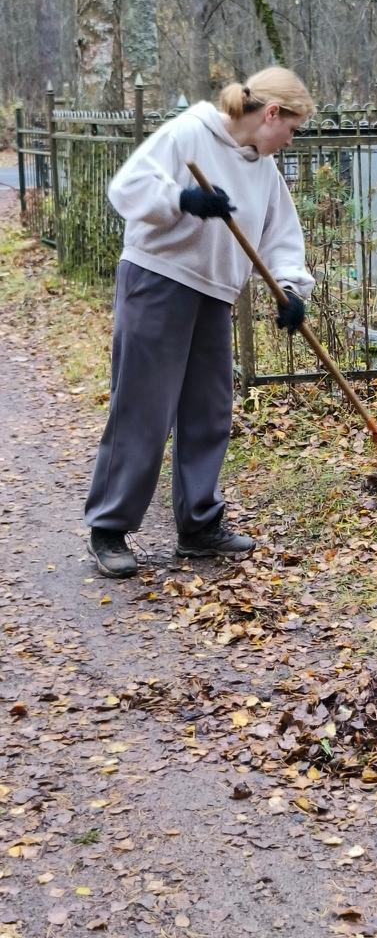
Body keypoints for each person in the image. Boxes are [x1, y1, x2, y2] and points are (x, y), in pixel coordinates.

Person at [85, 67, 315, 579]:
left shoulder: (264, 169)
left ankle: (198, 525)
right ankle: (109, 528)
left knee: (207, 412)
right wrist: (181, 201)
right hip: (158, 281)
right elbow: (127, 188)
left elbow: (282, 236)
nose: (290, 140)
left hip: (214, 294)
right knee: (144, 409)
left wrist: (293, 290)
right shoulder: (190, 132)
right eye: (292, 129)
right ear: (272, 113)